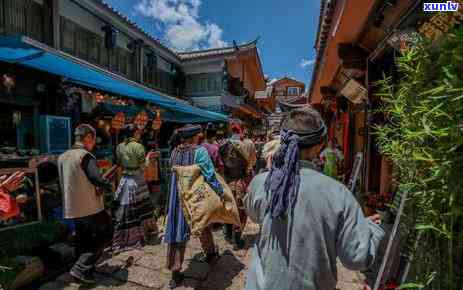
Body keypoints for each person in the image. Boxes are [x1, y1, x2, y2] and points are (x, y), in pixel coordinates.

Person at [244, 107, 384, 290]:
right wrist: (370, 229)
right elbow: (356, 258)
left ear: (283, 142)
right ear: (319, 146)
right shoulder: (338, 193)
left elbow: (254, 214)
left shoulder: (262, 182)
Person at [165, 124, 223, 289]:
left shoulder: (175, 151)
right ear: (196, 136)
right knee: (203, 222)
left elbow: (172, 170)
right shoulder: (200, 151)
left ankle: (175, 274)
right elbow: (209, 174)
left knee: (177, 230)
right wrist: (220, 192)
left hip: (178, 196)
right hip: (196, 196)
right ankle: (210, 253)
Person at [58, 124, 114, 284]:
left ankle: (84, 272)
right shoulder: (85, 156)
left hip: (72, 207)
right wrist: (107, 183)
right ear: (88, 137)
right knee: (106, 232)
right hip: (90, 206)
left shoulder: (62, 156)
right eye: (93, 140)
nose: (94, 143)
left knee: (83, 238)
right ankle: (81, 268)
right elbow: (96, 178)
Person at [112, 125, 155, 253]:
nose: (140, 134)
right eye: (139, 132)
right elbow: (143, 167)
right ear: (135, 133)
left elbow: (119, 164)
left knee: (125, 210)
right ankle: (141, 234)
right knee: (141, 208)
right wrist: (148, 158)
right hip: (137, 181)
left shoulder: (120, 146)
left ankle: (123, 238)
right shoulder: (139, 147)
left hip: (124, 180)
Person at [219, 133, 249, 250]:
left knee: (228, 209)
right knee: (240, 212)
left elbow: (221, 167)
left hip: (227, 184)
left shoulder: (223, 151)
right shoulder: (242, 152)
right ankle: (237, 238)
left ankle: (228, 235)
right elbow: (249, 166)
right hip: (239, 184)